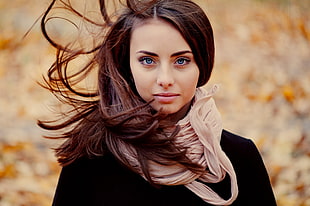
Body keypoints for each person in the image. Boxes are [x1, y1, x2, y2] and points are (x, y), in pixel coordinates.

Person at [38, 0, 277, 205]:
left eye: (181, 61)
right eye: (148, 61)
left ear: (202, 65)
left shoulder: (240, 157)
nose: (165, 79)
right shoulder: (90, 154)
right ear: (127, 65)